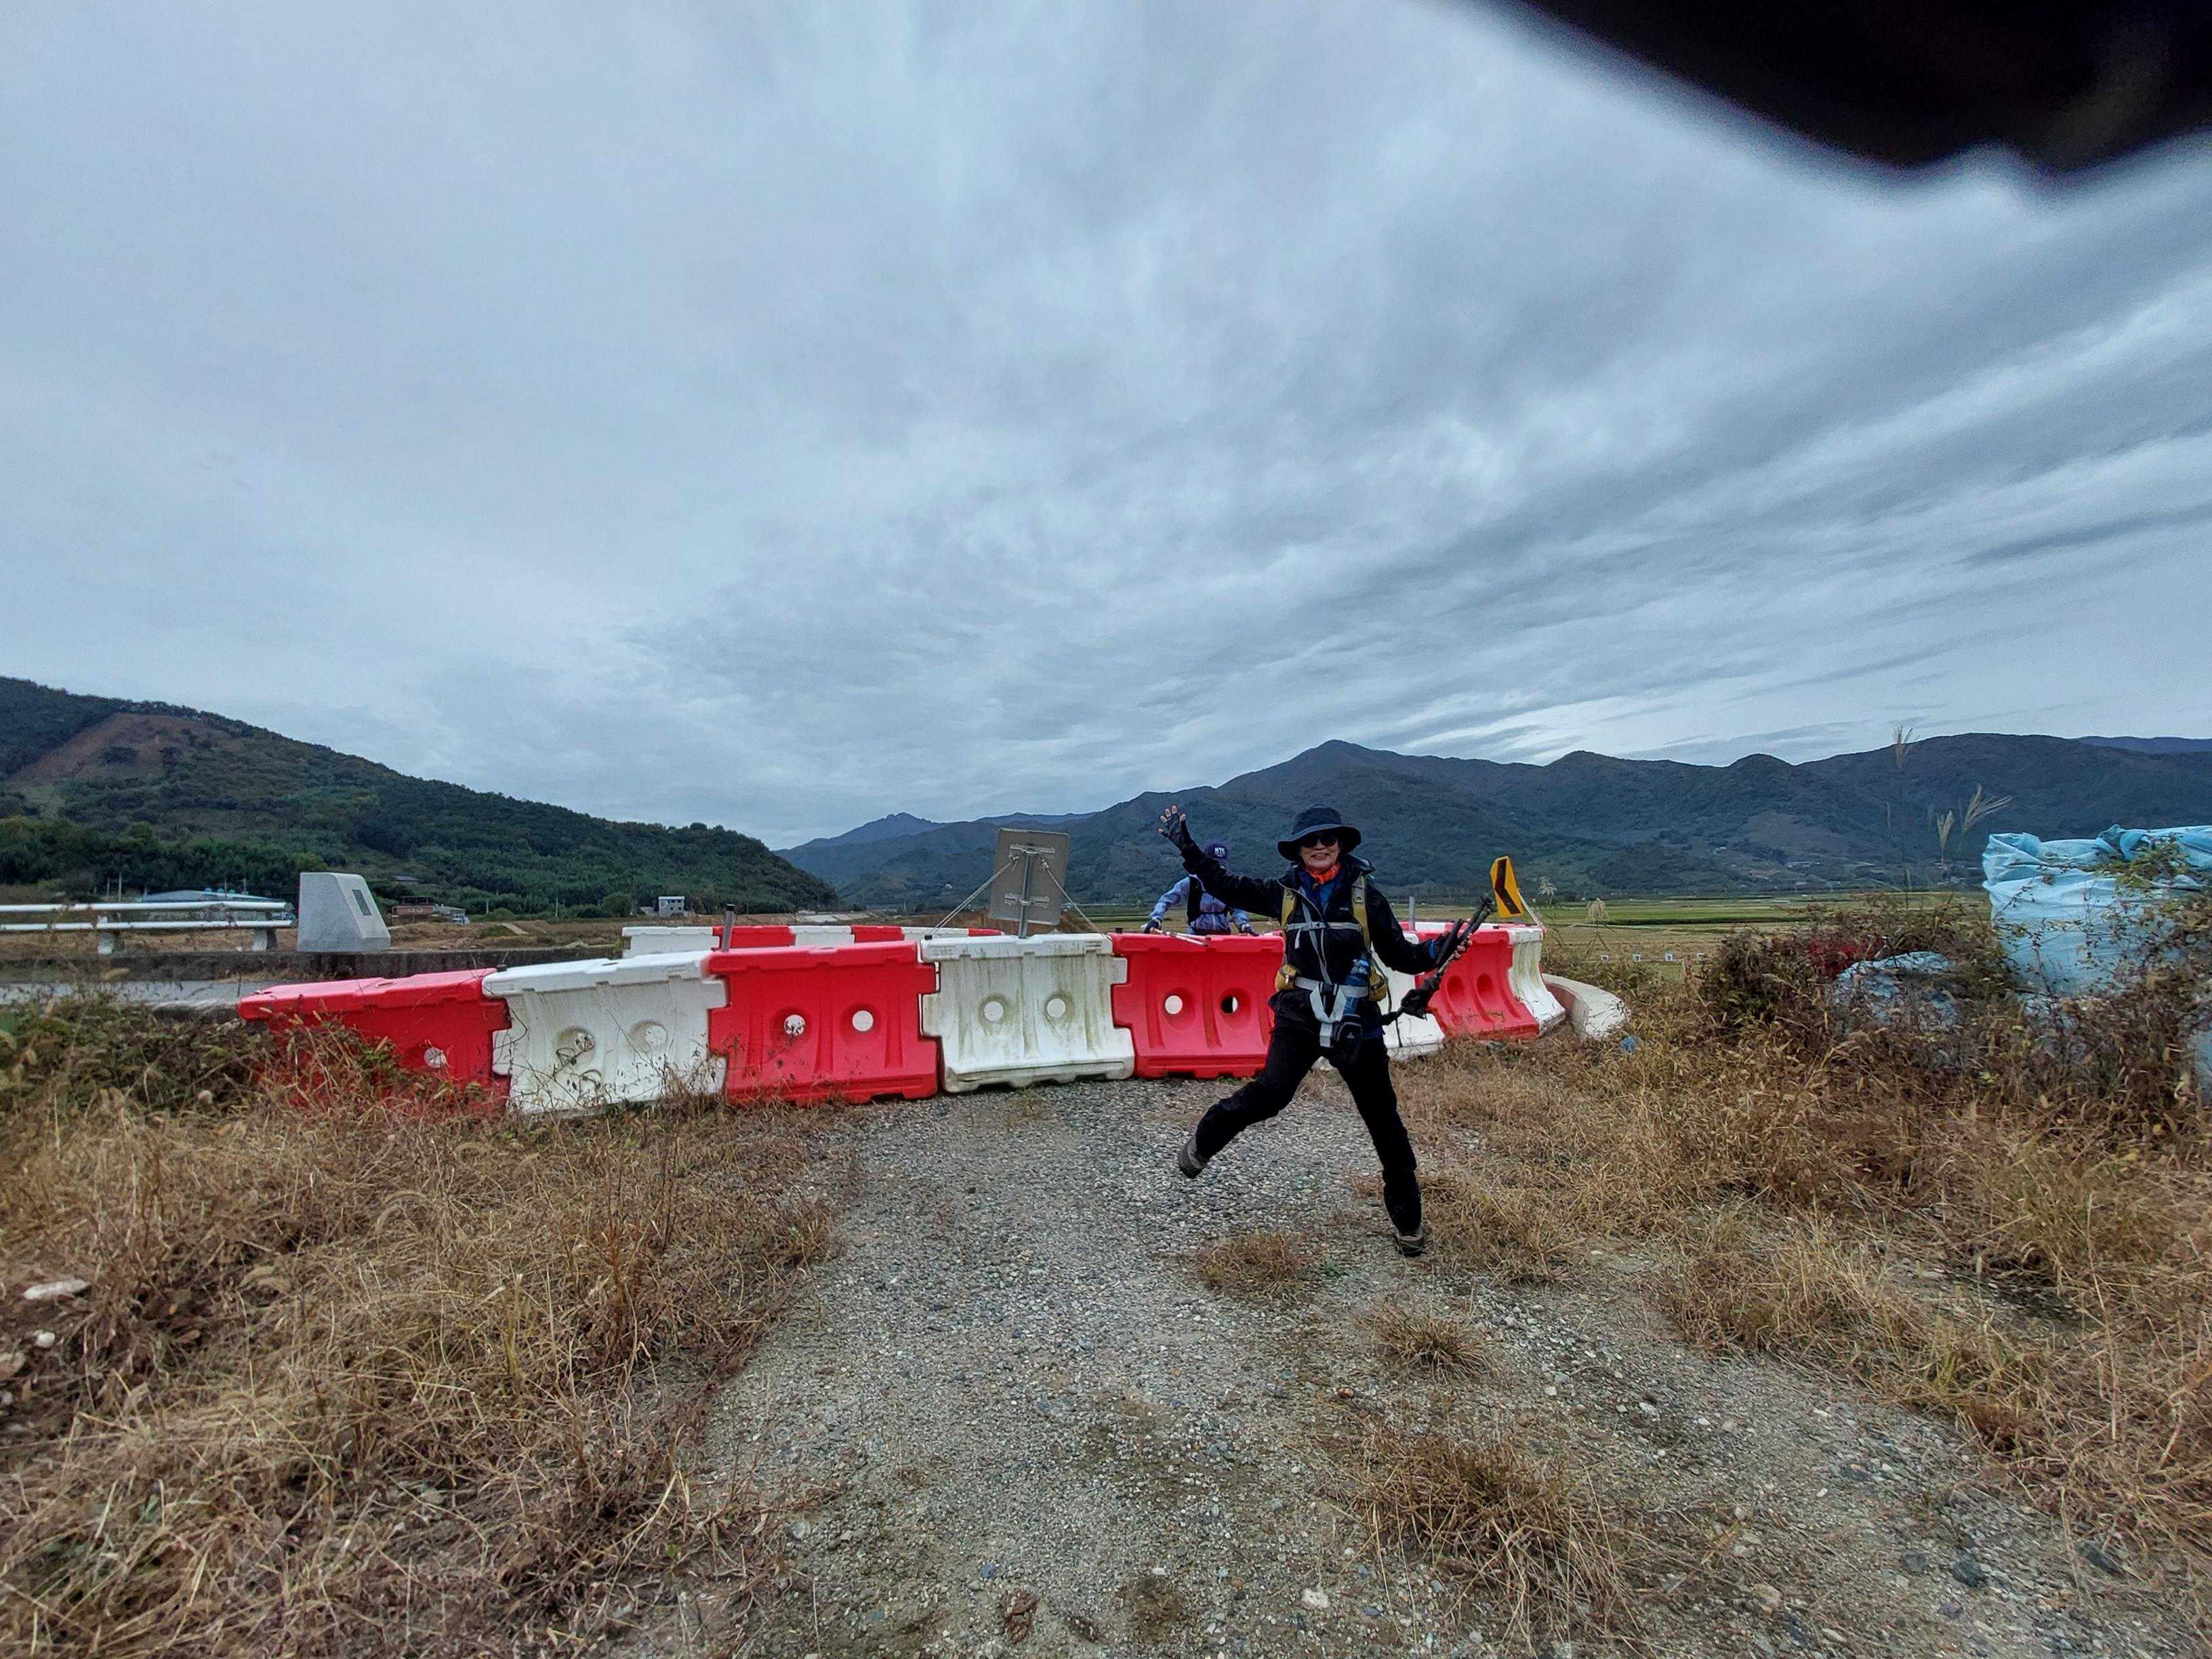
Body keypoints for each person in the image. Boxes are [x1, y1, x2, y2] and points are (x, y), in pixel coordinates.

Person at [1158, 802, 1465, 1256]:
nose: (1320, 846)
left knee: (1384, 1121)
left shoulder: (1366, 896)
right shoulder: (1282, 892)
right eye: (1310, 841)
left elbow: (1401, 956)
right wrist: (1187, 846)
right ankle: (1205, 1139)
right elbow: (1224, 884)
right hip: (1299, 1016)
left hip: (1355, 1022)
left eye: (1328, 839)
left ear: (1340, 844)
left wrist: (1439, 949)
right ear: (1298, 850)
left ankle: (1409, 1223)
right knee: (1270, 1094)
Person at [1143, 842, 1255, 935]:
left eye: (1220, 866)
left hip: (1223, 935)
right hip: (1197, 936)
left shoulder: (1228, 884)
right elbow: (1165, 900)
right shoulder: (1191, 883)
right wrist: (1156, 919)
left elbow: (1237, 908)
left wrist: (1243, 924)